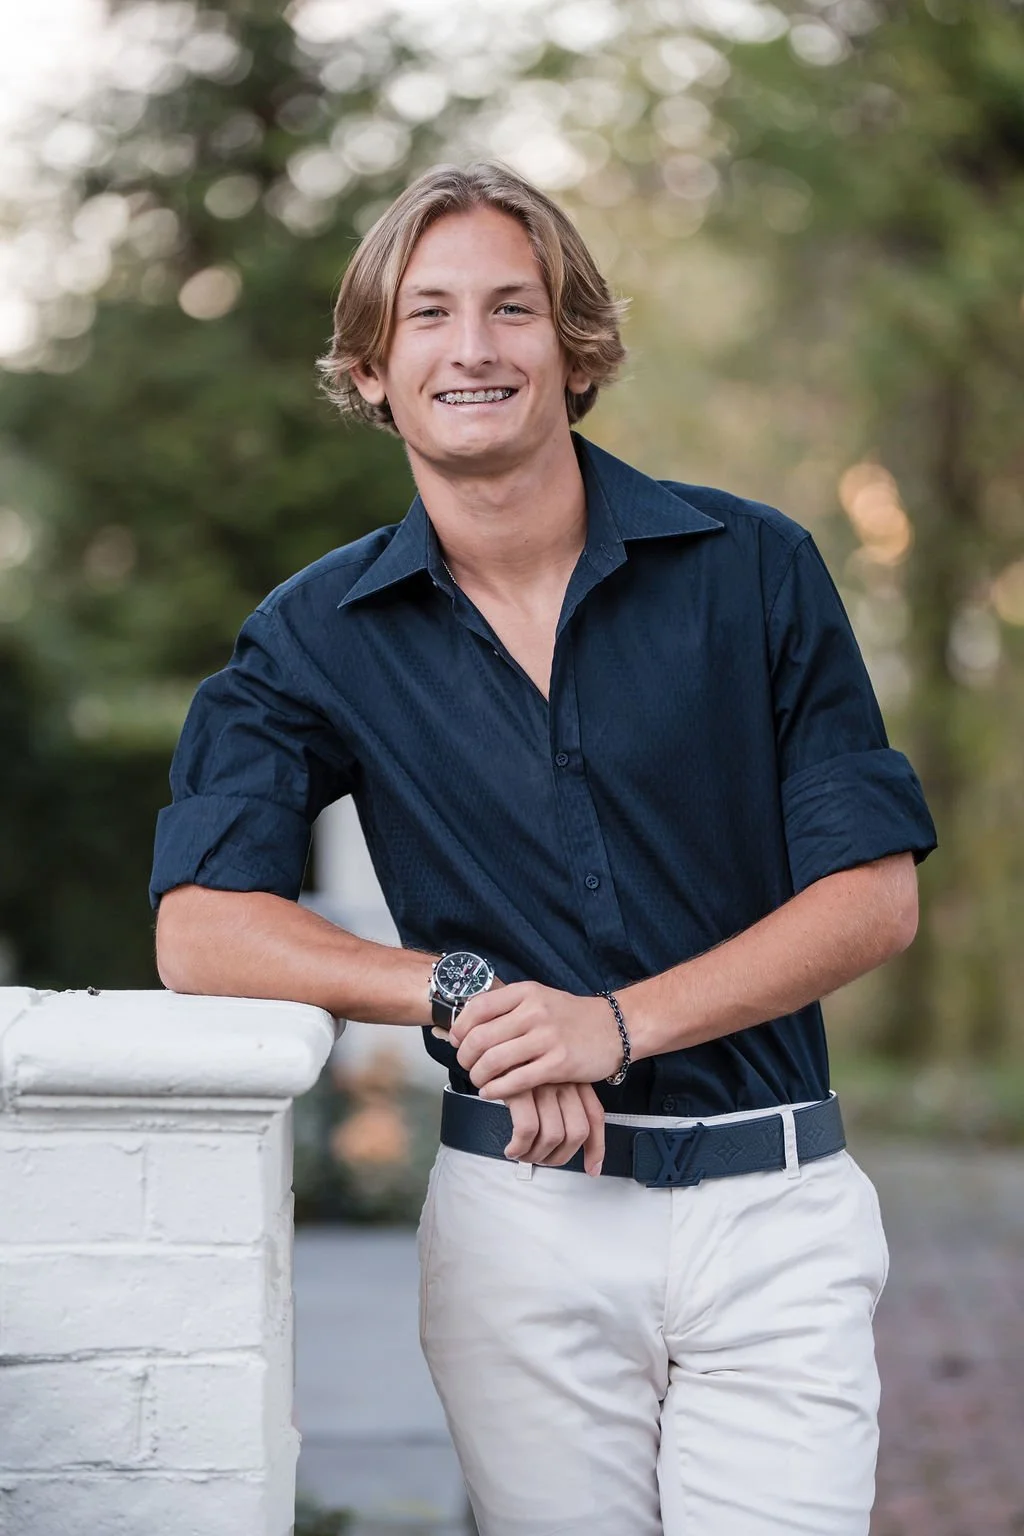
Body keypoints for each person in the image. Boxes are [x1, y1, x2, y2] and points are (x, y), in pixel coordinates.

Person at [151, 160, 937, 1535]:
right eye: (430, 315)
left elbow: (869, 899)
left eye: (512, 309)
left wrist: (612, 1027)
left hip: (777, 1215)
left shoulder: (755, 570)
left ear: (573, 349)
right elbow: (200, 928)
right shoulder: (311, 632)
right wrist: (463, 994)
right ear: (371, 369)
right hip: (523, 1224)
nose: (472, 348)